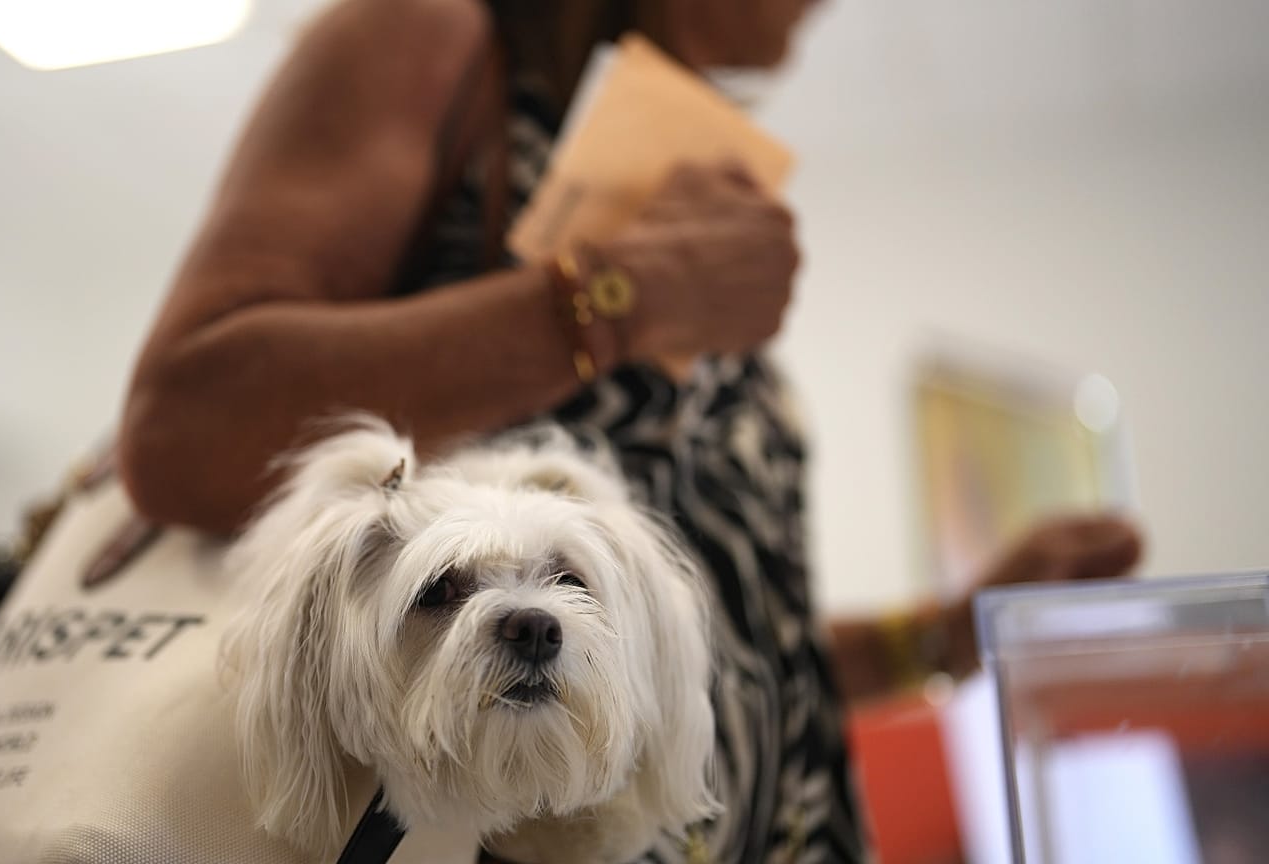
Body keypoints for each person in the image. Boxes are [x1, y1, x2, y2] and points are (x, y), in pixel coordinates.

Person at [117, 0, 1143, 860]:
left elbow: (701, 650)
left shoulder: (661, 138)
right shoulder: (427, 34)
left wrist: (938, 635)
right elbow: (180, 424)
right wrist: (614, 301)